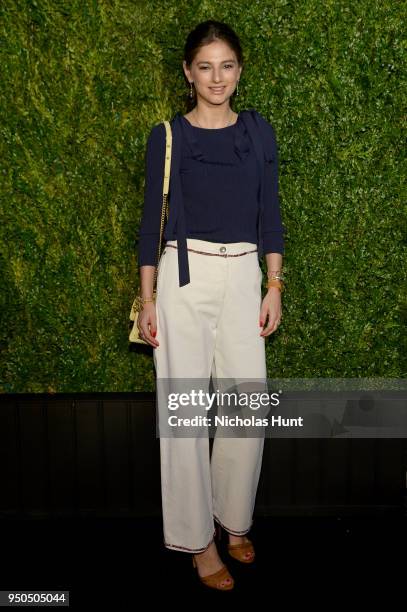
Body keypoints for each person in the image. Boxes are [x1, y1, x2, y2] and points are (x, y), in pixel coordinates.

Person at [136, 20, 285, 591]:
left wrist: (273, 285)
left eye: (226, 65)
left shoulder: (258, 132)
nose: (216, 77)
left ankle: (233, 520)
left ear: (239, 70)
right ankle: (198, 541)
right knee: (186, 417)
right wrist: (148, 300)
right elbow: (151, 223)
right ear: (187, 72)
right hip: (183, 277)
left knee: (247, 410)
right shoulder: (167, 136)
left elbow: (269, 212)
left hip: (245, 277)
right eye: (205, 66)